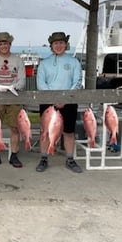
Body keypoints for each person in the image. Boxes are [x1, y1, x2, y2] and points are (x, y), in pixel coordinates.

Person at [35, 32, 83, 173]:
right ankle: (44, 158)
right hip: (48, 103)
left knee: (69, 131)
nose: (58, 45)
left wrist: (65, 99)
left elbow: (77, 82)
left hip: (69, 102)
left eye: (61, 43)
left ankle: (70, 159)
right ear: (51, 46)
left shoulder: (74, 62)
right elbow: (40, 83)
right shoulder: (44, 63)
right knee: (45, 131)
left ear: (66, 45)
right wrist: (53, 99)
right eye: (55, 43)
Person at [0, 32, 26, 168]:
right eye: (1, 44)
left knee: (15, 128)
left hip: (14, 97)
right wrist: (0, 89)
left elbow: (22, 80)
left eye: (6, 43)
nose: (4, 46)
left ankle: (14, 154)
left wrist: (12, 88)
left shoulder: (18, 60)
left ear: (10, 44)